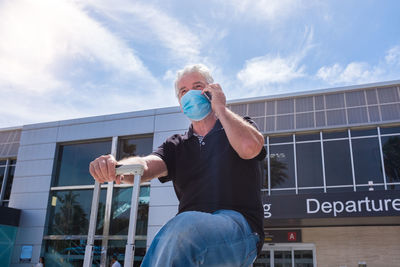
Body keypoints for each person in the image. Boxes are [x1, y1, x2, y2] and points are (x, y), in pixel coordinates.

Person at [90, 64, 266, 266]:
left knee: (184, 227)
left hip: (239, 228)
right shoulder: (176, 145)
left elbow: (250, 147)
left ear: (212, 91)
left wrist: (221, 109)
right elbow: (145, 167)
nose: (190, 94)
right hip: (187, 233)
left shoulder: (239, 126)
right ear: (181, 104)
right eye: (183, 91)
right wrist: (115, 167)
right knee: (177, 232)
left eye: (197, 86)